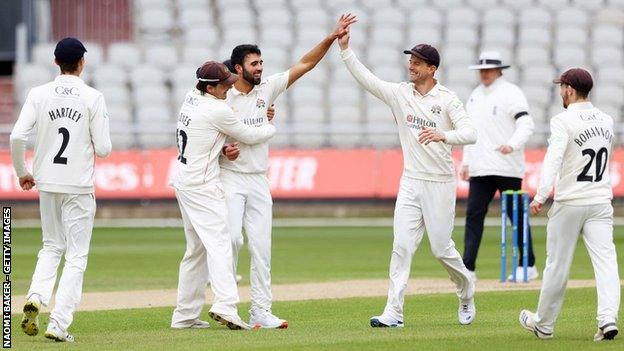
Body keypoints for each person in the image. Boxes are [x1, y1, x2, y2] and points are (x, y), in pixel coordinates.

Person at [218, 13, 356, 329]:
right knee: (231, 242)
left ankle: (261, 312)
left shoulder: (268, 89)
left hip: (258, 180)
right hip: (230, 177)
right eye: (254, 64)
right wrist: (224, 150)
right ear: (238, 68)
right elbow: (208, 136)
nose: (260, 68)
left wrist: (331, 37)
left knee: (262, 248)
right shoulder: (224, 96)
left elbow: (305, 64)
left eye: (262, 63)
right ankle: (227, 306)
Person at [338, 28, 477, 327]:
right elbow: (368, 81)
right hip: (411, 180)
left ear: (432, 69)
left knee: (441, 249)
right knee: (401, 246)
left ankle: (466, 291)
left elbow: (471, 133)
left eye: (417, 62)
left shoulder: (448, 100)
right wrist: (346, 50)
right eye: (410, 60)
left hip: (440, 182)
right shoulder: (401, 93)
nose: (411, 66)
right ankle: (394, 312)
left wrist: (443, 134)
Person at [11, 37, 112, 342]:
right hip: (78, 185)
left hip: (47, 182)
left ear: (55, 62)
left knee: (52, 246)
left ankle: (36, 296)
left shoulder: (38, 94)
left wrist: (22, 172)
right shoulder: (93, 97)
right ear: (82, 62)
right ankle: (59, 323)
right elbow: (105, 149)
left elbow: (17, 137)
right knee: (77, 256)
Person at [170, 61, 276, 330]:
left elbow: (204, 137)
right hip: (203, 186)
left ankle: (185, 316)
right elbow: (249, 135)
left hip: (184, 181)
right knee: (221, 244)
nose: (229, 89)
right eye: (224, 85)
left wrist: (220, 150)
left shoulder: (190, 98)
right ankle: (226, 306)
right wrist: (270, 126)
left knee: (196, 250)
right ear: (209, 87)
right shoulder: (217, 109)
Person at [519, 68, 620, 341]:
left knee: (557, 265)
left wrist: (540, 196)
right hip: (600, 200)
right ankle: (608, 318)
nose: (559, 91)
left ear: (570, 90)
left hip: (571, 201)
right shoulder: (607, 120)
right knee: (606, 262)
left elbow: (553, 160)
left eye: (561, 87)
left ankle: (544, 325)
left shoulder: (562, 121)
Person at [461, 51, 537, 281]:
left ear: (499, 70)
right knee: (474, 216)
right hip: (480, 168)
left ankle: (528, 265)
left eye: (488, 70)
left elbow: (526, 124)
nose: (484, 74)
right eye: (481, 70)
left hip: (507, 166)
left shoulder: (511, 92)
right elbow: (469, 132)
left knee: (517, 217)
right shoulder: (474, 95)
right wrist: (466, 161)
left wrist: (512, 145)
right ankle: (468, 268)